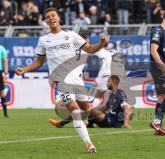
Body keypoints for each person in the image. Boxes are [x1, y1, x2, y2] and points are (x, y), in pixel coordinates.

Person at [15, 7, 109, 153]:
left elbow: (89, 49)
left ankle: (81, 121)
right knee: (74, 109)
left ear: (58, 18)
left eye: (53, 15)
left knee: (85, 108)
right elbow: (39, 62)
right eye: (48, 17)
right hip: (60, 80)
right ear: (46, 21)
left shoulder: (71, 35)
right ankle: (89, 143)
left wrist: (101, 44)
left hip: (76, 79)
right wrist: (24, 69)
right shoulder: (43, 40)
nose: (51, 18)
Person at [49, 32, 117, 127]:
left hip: (103, 80)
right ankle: (80, 121)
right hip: (79, 80)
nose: (86, 43)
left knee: (89, 108)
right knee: (85, 107)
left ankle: (67, 121)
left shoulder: (94, 50)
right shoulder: (80, 49)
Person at [50, 75, 133, 128]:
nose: (107, 83)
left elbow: (126, 108)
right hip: (108, 117)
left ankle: (62, 123)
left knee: (89, 111)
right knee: (88, 110)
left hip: (114, 122)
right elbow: (105, 108)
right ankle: (87, 124)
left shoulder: (120, 93)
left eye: (108, 81)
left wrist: (126, 123)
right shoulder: (112, 94)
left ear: (114, 82)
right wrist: (93, 110)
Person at [0, 45, 9, 118]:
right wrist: (6, 73)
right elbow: (5, 60)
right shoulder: (1, 48)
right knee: (2, 93)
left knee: (2, 92)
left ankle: (5, 115)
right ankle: (5, 115)